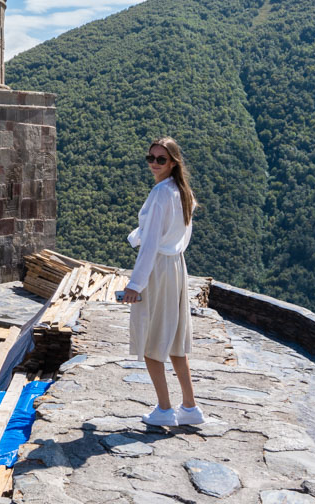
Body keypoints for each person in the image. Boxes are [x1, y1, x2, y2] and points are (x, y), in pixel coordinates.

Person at [121, 137, 203, 427]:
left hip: (158, 269)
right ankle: (190, 408)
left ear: (173, 162)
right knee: (175, 341)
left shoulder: (159, 193)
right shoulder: (182, 192)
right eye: (151, 158)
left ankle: (165, 410)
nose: (154, 164)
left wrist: (135, 284)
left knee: (151, 341)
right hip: (177, 267)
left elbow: (152, 243)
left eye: (161, 159)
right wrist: (140, 234)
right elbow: (174, 236)